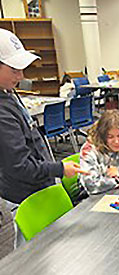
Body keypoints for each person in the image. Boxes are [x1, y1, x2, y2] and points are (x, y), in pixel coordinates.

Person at [0, 28, 86, 248]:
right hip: (25, 195)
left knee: (56, 247)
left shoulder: (8, 92)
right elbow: (19, 166)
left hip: (40, 184)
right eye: (14, 70)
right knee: (35, 253)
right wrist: (58, 169)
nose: (21, 76)